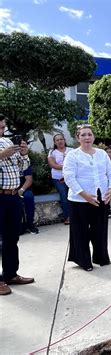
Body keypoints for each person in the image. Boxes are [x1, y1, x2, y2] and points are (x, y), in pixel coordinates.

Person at [63, 124, 111, 272]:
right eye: (83, 135)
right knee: (80, 231)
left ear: (93, 136)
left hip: (100, 197)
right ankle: (83, 260)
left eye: (89, 134)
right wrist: (84, 194)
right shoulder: (72, 155)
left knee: (100, 229)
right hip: (79, 199)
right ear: (77, 137)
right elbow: (69, 177)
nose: (87, 137)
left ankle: (101, 257)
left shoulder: (101, 153)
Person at [0, 114, 35, 296]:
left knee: (12, 238)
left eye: (3, 127)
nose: (2, 131)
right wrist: (1, 156)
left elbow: (21, 168)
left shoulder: (7, 142)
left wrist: (24, 154)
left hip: (13, 196)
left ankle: (10, 274)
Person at [47, 133, 73, 224]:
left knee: (75, 196)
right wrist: (68, 166)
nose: (60, 141)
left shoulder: (72, 150)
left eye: (61, 139)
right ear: (54, 142)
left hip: (72, 177)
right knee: (64, 197)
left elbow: (77, 164)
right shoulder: (52, 152)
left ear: (64, 140)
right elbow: (53, 165)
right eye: (57, 140)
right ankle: (68, 217)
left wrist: (64, 166)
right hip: (59, 178)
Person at [18, 139, 39, 234]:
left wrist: (22, 190)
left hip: (24, 188)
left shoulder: (27, 160)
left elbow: (29, 179)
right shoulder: (10, 158)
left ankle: (30, 224)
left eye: (24, 146)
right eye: (20, 146)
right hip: (9, 188)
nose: (22, 148)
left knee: (28, 197)